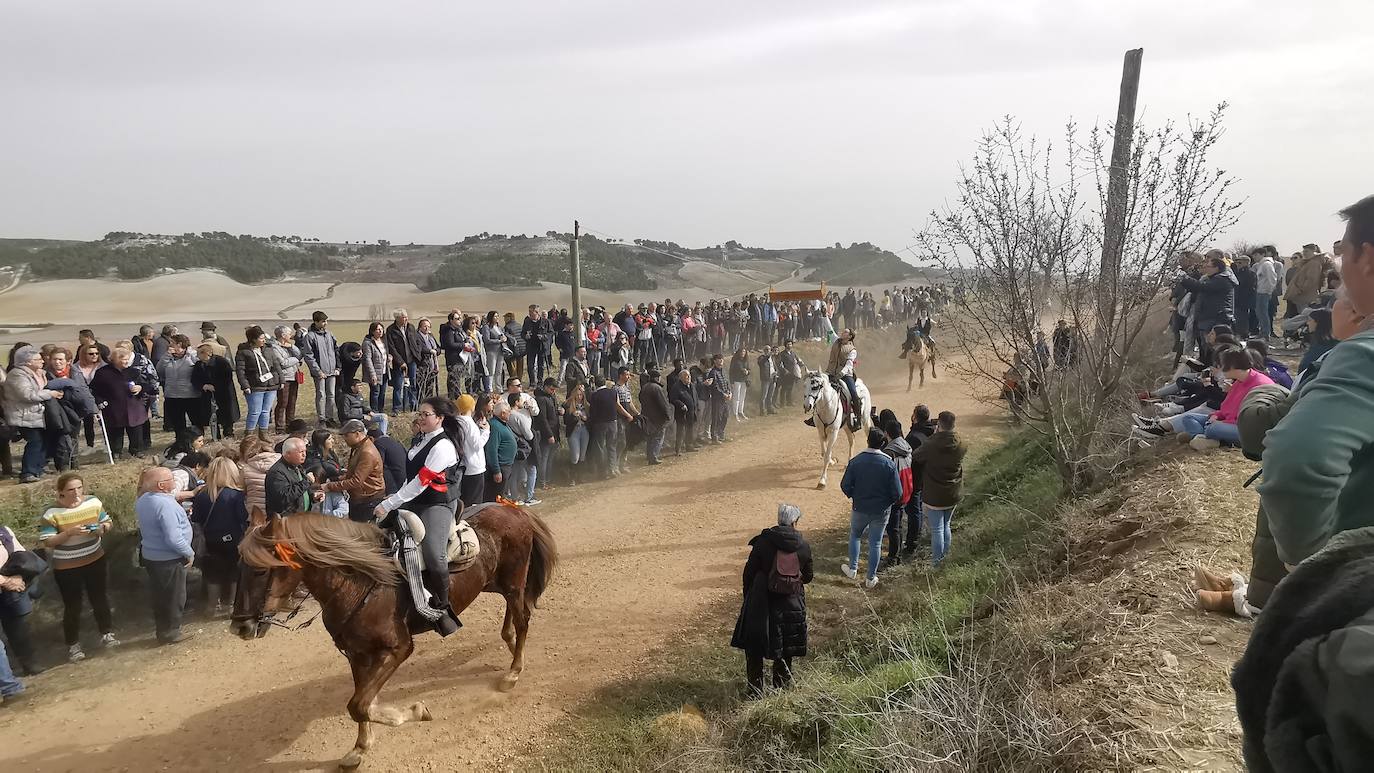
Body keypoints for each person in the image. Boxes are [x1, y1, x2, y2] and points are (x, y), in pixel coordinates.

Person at [1259, 196, 1374, 566]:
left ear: (1367, 259)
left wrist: (1308, 566)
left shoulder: (1363, 356)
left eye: (1344, 253)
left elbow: (1298, 459)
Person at [373, 396, 465, 636]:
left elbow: (421, 482)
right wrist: (391, 499)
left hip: (436, 504)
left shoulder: (443, 446)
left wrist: (390, 503)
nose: (421, 418)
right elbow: (409, 479)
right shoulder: (420, 440)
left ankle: (443, 608)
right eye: (420, 414)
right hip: (414, 501)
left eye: (426, 415)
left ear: (440, 418)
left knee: (435, 555)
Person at [730, 503, 813, 697]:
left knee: (755, 648)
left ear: (779, 520)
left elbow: (748, 574)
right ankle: (781, 691)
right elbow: (808, 576)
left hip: (761, 604)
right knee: (786, 649)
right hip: (791, 604)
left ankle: (755, 691)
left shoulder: (763, 542)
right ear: (795, 522)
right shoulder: (803, 546)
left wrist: (748, 596)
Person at [37, 472, 118, 662]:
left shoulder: (93, 502)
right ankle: (73, 644)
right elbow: (48, 541)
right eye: (71, 490)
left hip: (94, 558)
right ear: (61, 492)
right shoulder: (51, 512)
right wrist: (69, 533)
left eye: (79, 488)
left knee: (100, 598)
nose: (76, 493)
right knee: (73, 606)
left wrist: (101, 529)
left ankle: (107, 633)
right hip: (67, 566)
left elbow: (107, 522)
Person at [136, 466, 195, 645]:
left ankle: (162, 631)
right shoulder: (164, 505)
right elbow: (173, 537)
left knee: (160, 596)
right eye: (171, 479)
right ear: (162, 485)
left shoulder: (144, 499)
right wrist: (189, 552)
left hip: (152, 556)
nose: (174, 481)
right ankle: (172, 632)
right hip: (169, 558)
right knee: (174, 597)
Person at [839, 428, 902, 588]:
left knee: (855, 535)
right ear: (883, 443)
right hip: (881, 510)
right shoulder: (889, 463)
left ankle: (852, 568)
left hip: (860, 507)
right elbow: (898, 492)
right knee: (876, 543)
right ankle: (870, 578)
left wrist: (855, 496)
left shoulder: (856, 461)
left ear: (868, 441)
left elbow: (845, 485)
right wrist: (887, 502)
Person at [190, 457, 249, 615]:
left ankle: (211, 606)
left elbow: (196, 519)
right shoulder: (236, 495)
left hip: (210, 540)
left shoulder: (202, 495)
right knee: (233, 574)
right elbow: (242, 518)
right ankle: (229, 606)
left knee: (212, 574)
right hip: (232, 540)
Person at [912, 411, 967, 567]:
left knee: (937, 530)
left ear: (938, 425)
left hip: (935, 494)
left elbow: (916, 456)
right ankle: (945, 559)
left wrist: (934, 436)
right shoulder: (962, 443)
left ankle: (937, 564)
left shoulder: (931, 444)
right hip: (953, 492)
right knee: (946, 526)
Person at [3, 346, 62, 483]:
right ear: (27, 362)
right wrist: (50, 394)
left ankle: (38, 469)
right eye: (38, 359)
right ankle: (28, 472)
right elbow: (27, 394)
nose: (42, 361)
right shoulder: (17, 375)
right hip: (23, 415)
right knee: (35, 441)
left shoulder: (39, 373)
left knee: (43, 442)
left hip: (38, 414)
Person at [1176, 253, 1238, 364]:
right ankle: (1205, 369)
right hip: (1209, 317)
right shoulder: (1213, 278)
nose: (1205, 268)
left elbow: (1201, 287)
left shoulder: (1221, 280)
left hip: (1215, 318)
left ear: (1216, 268)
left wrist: (1184, 278)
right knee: (1205, 349)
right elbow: (1197, 289)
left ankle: (1210, 371)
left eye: (1208, 266)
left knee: (1212, 349)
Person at [90, 347, 150, 459]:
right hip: (114, 407)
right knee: (115, 431)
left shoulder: (134, 371)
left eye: (128, 359)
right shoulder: (103, 373)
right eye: (124, 359)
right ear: (115, 360)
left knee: (136, 430)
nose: (127, 362)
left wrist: (140, 388)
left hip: (134, 407)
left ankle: (137, 450)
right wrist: (100, 401)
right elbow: (94, 390)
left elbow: (146, 385)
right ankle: (116, 452)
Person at [325, 419, 386, 523]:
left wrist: (330, 486)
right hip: (361, 497)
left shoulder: (366, 452)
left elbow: (356, 481)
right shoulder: (358, 447)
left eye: (347, 435)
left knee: (362, 532)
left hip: (368, 499)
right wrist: (338, 479)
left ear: (357, 434)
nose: (344, 439)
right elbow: (353, 472)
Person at [0, 525, 41, 675]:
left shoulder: (4, 531)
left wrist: (19, 576)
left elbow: (21, 555)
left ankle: (29, 665)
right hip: (7, 583)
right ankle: (6, 676)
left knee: (19, 629)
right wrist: (4, 581)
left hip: (13, 588)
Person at [234, 325, 283, 440]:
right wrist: (245, 385)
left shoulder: (268, 349)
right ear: (253, 339)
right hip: (254, 386)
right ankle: (249, 436)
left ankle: (263, 434)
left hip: (271, 385)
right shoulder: (243, 352)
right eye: (261, 338)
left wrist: (281, 380)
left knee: (266, 411)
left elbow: (276, 365)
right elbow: (240, 371)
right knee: (255, 411)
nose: (264, 340)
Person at [158, 334, 203, 442]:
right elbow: (159, 370)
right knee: (178, 423)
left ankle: (198, 441)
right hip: (172, 395)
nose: (169, 345)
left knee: (196, 421)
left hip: (191, 395)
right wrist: (166, 356)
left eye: (172, 343)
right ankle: (181, 442)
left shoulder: (192, 355)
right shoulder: (168, 357)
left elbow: (201, 367)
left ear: (180, 344)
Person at [192, 341, 239, 439]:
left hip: (224, 394)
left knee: (227, 416)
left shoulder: (222, 362)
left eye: (199, 354)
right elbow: (194, 379)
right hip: (207, 395)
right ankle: (215, 436)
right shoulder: (199, 364)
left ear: (207, 354)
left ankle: (229, 435)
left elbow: (227, 378)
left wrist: (216, 387)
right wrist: (203, 386)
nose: (197, 356)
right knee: (212, 416)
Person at [502, 392, 538, 504]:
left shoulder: (506, 415)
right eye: (521, 400)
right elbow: (529, 435)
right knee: (532, 470)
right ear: (517, 402)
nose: (523, 402)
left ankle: (514, 497)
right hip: (523, 447)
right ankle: (529, 497)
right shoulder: (518, 416)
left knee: (514, 472)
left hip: (511, 447)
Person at [265, 437, 315, 517]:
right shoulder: (277, 472)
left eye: (305, 451)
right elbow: (285, 496)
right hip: (286, 521)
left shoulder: (297, 466)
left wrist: (313, 496)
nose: (304, 455)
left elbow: (300, 491)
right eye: (301, 452)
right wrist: (307, 481)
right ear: (288, 454)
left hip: (301, 517)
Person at [826, 328, 862, 430]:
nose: (843, 332)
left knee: (854, 394)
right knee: (820, 389)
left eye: (845, 332)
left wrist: (842, 373)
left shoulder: (852, 350)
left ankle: (858, 420)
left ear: (850, 336)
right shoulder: (835, 340)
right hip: (832, 373)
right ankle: (815, 417)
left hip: (846, 375)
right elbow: (829, 327)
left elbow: (849, 364)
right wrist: (824, 316)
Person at [385, 309, 420, 415]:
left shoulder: (411, 327)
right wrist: (400, 362)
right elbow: (391, 348)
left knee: (413, 384)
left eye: (406, 316)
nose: (406, 319)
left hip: (412, 360)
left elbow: (417, 341)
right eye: (403, 317)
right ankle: (396, 408)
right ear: (397, 318)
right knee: (398, 386)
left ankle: (413, 405)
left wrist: (417, 353)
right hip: (399, 362)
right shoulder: (391, 330)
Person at [269, 325, 303, 432]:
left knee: (292, 402)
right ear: (283, 335)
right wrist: (296, 359)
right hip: (284, 378)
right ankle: (279, 427)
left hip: (294, 376)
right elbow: (283, 363)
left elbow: (299, 354)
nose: (290, 335)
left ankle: (290, 425)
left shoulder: (288, 346)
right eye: (289, 334)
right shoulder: (274, 347)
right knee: (283, 402)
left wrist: (292, 347)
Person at [305, 429, 345, 515]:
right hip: (321, 495)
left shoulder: (331, 454)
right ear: (322, 442)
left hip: (334, 490)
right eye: (330, 439)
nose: (333, 441)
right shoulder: (313, 461)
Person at [484, 399, 517, 502]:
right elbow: (492, 450)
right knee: (495, 497)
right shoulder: (495, 426)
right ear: (503, 413)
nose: (510, 414)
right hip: (500, 468)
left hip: (506, 466)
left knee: (501, 496)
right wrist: (496, 470)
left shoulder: (502, 424)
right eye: (508, 412)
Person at [638, 368, 671, 465]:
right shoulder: (657, 388)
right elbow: (663, 404)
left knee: (650, 437)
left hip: (647, 415)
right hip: (658, 417)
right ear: (657, 378)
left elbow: (640, 399)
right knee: (658, 437)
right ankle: (653, 456)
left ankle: (649, 455)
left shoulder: (644, 387)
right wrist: (668, 415)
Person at [532, 378, 560, 492]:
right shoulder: (541, 399)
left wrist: (559, 411)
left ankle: (546, 480)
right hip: (546, 434)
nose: (553, 391)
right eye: (552, 389)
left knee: (549, 458)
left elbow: (551, 413)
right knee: (544, 458)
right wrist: (549, 435)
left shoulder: (549, 397)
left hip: (553, 431)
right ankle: (542, 481)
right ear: (546, 387)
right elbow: (542, 419)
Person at [563, 382, 589, 482]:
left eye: (581, 395)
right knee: (575, 456)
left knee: (582, 455)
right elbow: (566, 421)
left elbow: (590, 420)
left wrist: (585, 418)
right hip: (574, 431)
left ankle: (580, 476)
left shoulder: (586, 405)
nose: (579, 397)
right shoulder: (569, 405)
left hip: (584, 430)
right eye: (577, 395)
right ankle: (572, 478)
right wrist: (574, 416)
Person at [669, 368, 698, 455]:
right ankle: (678, 449)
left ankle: (689, 446)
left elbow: (695, 396)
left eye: (689, 376)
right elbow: (673, 399)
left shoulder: (691, 385)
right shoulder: (676, 387)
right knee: (680, 431)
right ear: (681, 378)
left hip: (691, 412)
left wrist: (696, 406)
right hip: (681, 413)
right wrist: (681, 405)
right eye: (686, 376)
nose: (688, 378)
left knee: (690, 429)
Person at [362, 321, 389, 414]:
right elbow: (367, 359)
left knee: (383, 392)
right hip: (374, 372)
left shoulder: (383, 341)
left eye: (381, 329)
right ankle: (374, 411)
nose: (380, 331)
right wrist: (373, 375)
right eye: (378, 329)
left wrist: (389, 357)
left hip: (384, 371)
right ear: (372, 331)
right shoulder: (368, 343)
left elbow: (385, 353)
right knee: (375, 392)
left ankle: (380, 410)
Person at [414, 317, 440, 401]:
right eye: (425, 326)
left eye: (428, 326)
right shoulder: (417, 336)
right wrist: (430, 351)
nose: (427, 328)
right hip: (422, 364)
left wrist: (436, 351)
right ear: (420, 327)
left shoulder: (430, 336)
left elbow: (438, 347)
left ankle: (430, 402)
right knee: (422, 387)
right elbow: (420, 348)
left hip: (432, 364)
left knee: (430, 386)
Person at [776, 340, 803, 407]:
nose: (789, 345)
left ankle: (789, 402)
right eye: (788, 344)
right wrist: (784, 370)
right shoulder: (782, 354)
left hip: (792, 373)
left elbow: (797, 360)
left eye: (790, 344)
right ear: (785, 345)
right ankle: (782, 403)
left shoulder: (793, 353)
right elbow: (779, 364)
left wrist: (800, 364)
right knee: (784, 388)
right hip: (785, 374)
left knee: (790, 388)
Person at [729, 347, 751, 421]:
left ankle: (740, 411)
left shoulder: (746, 360)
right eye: (741, 352)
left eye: (744, 352)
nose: (743, 353)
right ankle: (735, 413)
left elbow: (749, 369)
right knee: (736, 397)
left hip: (744, 380)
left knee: (742, 397)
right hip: (736, 380)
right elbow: (731, 371)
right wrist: (731, 382)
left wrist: (747, 372)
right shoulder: (735, 360)